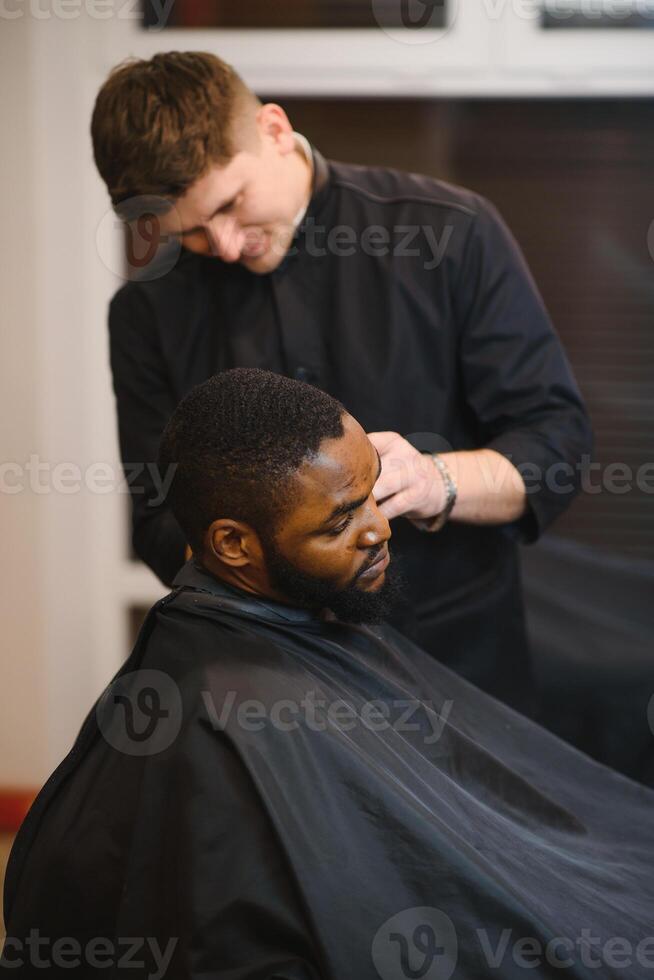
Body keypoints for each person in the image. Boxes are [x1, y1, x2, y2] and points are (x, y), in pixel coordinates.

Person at [1, 370, 650, 980]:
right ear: (232, 545)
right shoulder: (226, 726)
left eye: (371, 494)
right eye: (340, 521)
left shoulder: (309, 620)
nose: (378, 530)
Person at [91, 51, 593, 713]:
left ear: (273, 129)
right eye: (192, 234)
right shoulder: (147, 313)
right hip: (264, 683)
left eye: (234, 205)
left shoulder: (451, 233)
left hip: (459, 668)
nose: (229, 245)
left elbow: (555, 443)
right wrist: (270, 561)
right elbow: (157, 515)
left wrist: (434, 481)